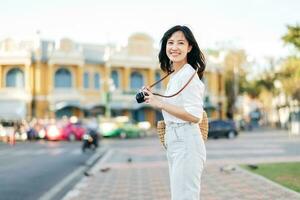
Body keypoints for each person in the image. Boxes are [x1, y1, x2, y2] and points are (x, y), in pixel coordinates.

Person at [142, 25, 206, 200]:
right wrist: (154, 98)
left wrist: (160, 104)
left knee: (185, 196)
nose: (174, 47)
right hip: (176, 139)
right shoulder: (175, 75)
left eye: (180, 43)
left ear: (189, 47)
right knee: (180, 195)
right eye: (170, 42)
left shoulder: (188, 75)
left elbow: (194, 115)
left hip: (186, 139)